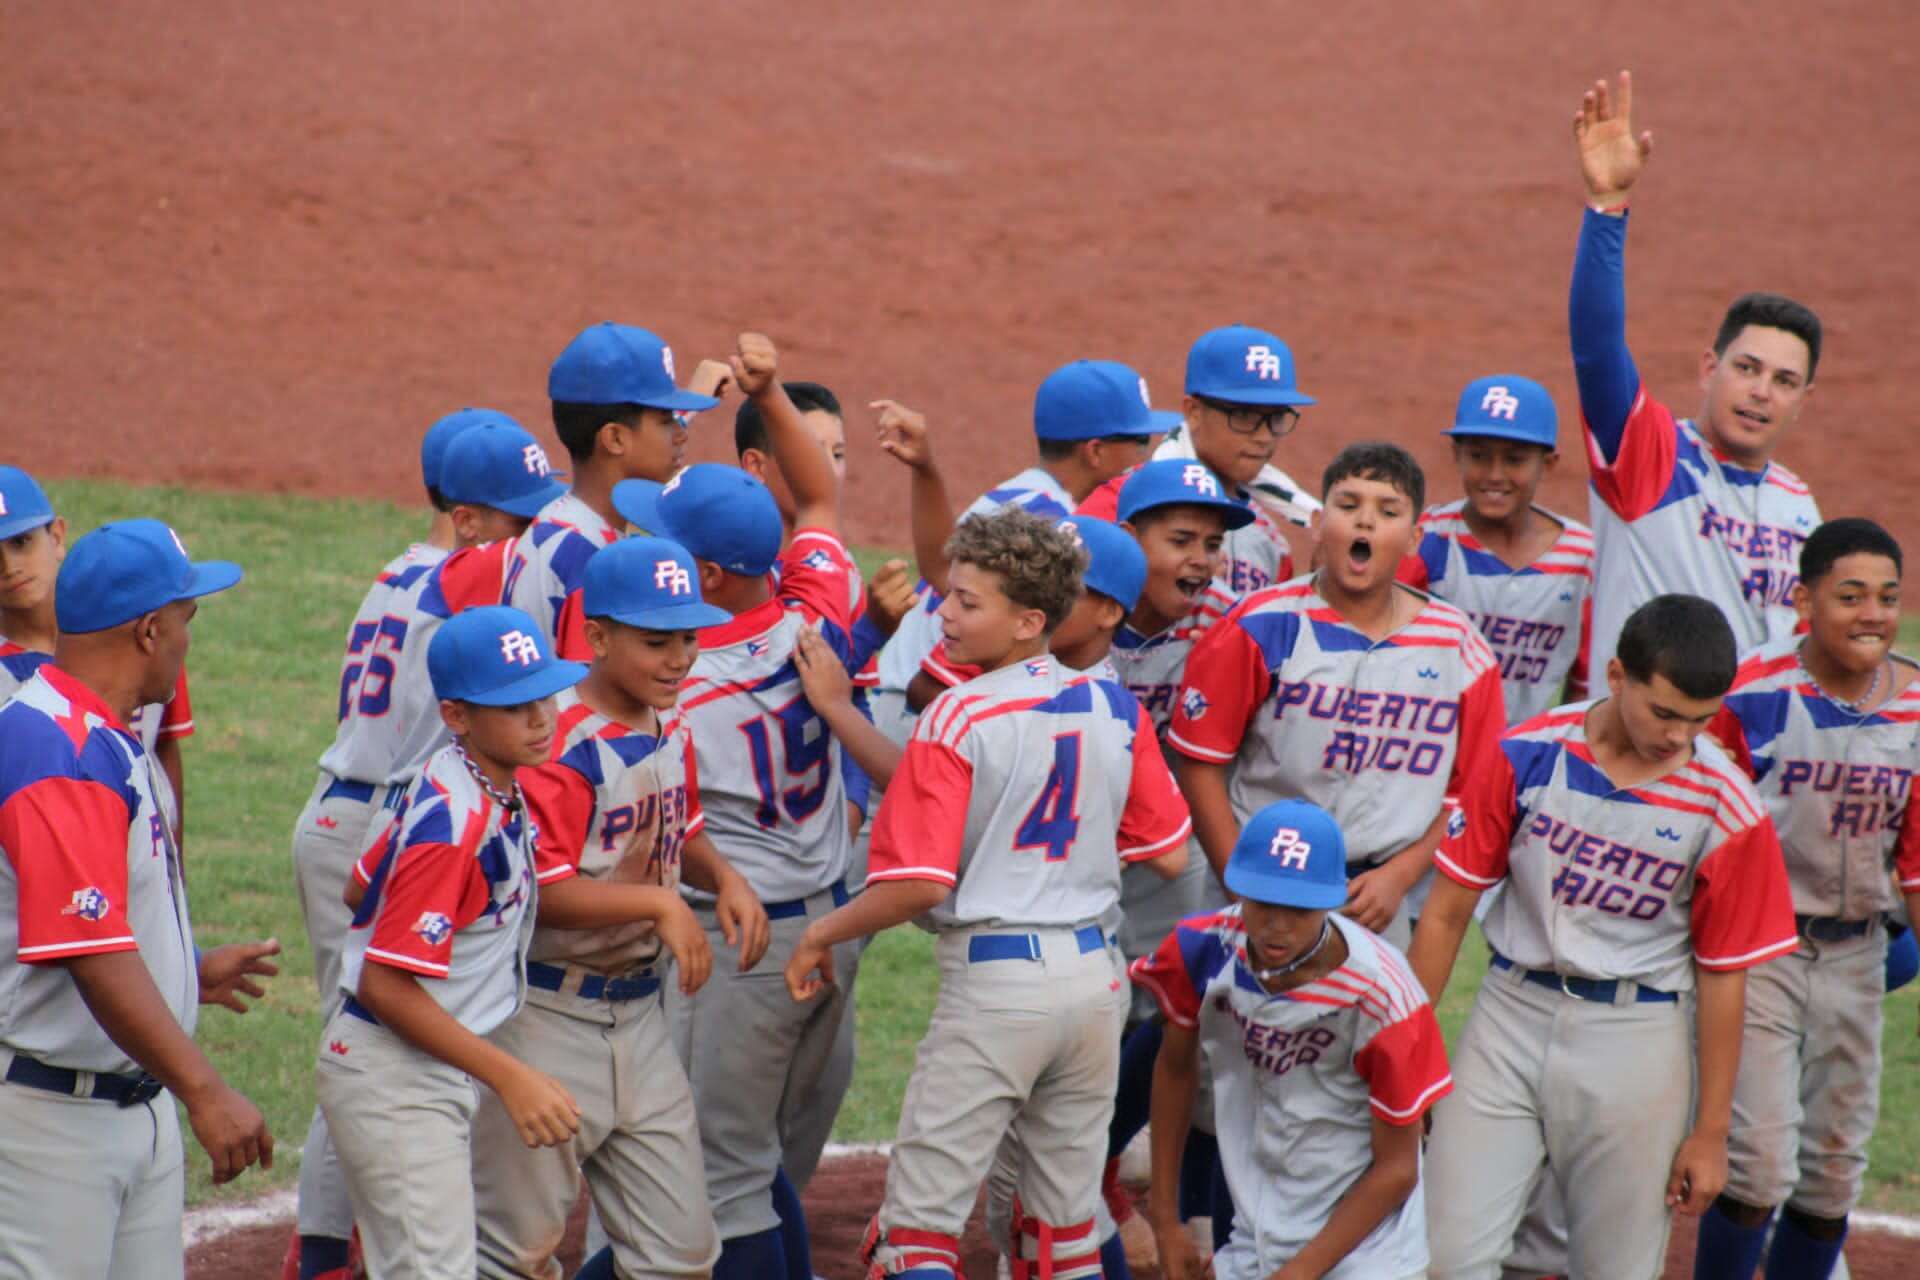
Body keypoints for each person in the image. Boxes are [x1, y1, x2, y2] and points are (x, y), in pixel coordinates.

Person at [783, 506, 1193, 1280]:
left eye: (968, 602)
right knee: (1062, 1232)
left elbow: (916, 886)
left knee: (916, 1236)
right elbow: (1168, 853)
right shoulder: (1115, 706)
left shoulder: (958, 714)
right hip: (1093, 986)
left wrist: (819, 933)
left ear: (1028, 620)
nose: (945, 613)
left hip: (998, 990)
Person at [1409, 594, 1799, 1280]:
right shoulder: (1527, 753)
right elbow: (1444, 915)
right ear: (1617, 676)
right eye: (1666, 712)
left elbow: (1724, 976)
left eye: (1702, 720)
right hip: (1509, 1015)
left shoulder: (1728, 806)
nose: (1680, 736)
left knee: (1614, 1269)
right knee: (1445, 1257)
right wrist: (1407, 1054)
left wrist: (1710, 1132)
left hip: (1638, 1040)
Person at [612, 333, 862, 1280]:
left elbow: (681, 823)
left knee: (719, 1179)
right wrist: (771, 397)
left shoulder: (683, 683)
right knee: (754, 1169)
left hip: (742, 948)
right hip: (823, 924)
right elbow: (824, 499)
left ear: (707, 578)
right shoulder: (815, 613)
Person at [471, 537, 771, 1280]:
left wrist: (723, 876)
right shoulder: (556, 745)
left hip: (639, 1022)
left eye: (689, 638)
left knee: (680, 1257)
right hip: (545, 1017)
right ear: (597, 636)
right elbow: (539, 893)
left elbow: (679, 823)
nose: (678, 659)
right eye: (655, 640)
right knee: (513, 1256)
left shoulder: (669, 719)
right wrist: (661, 906)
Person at [283, 407, 526, 1280]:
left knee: (361, 1033)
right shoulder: (463, 580)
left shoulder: (400, 572)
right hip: (390, 815)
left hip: (358, 807)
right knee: (368, 1036)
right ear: (468, 520)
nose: (526, 541)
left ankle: (326, 1248)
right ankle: (316, 1256)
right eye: (517, 520)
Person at [0, 518, 278, 1279]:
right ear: (151, 631)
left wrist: (183, 965)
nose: (192, 639)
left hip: (127, 1109)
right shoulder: (54, 749)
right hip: (50, 1126)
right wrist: (206, 1087)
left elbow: (95, 914)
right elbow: (86, 948)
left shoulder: (106, 738)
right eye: (188, 620)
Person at [315, 605, 588, 1280]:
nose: (542, 717)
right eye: (515, 705)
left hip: (418, 1063)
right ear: (459, 716)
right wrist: (511, 1075)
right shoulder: (453, 821)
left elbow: (360, 888)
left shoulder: (462, 776)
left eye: (544, 695)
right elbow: (383, 983)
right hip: (396, 1072)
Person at [1693, 519, 1920, 1280]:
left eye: (1888, 597)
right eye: (1850, 595)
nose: (1873, 615)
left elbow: (1916, 861)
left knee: (1831, 1174)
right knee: (1755, 1165)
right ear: (1804, 601)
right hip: (1761, 955)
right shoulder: (1752, 695)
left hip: (1858, 954)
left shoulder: (1917, 705)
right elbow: (1701, 831)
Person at [1168, 443, 1505, 947]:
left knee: (1359, 1027)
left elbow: (1471, 793)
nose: (1365, 524)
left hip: (1375, 898)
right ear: (1320, 524)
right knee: (1228, 1023)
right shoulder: (1260, 625)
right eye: (1349, 507)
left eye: (1387, 512)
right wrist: (1238, 882)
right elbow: (1199, 762)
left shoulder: (1461, 649)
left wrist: (1401, 876)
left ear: (1414, 538)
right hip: (1259, 879)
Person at [1569, 71, 1823, 674]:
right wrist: (1608, 210)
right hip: (1639, 756)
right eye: (1747, 368)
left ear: (1802, 400)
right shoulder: (1651, 456)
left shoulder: (1800, 506)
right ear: (1710, 368)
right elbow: (1596, 348)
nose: (1761, 392)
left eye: (1784, 382)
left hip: (1742, 766)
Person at [1134, 800, 1452, 1280]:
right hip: (1257, 1227)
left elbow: (1398, 1169)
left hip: (1371, 1250)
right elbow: (1176, 1070)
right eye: (1263, 902)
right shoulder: (1200, 951)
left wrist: (1299, 1273)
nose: (1277, 925)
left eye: (1298, 909)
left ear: (1330, 899)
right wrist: (1164, 1219)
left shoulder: (1387, 997)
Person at [871, 358, 1166, 741]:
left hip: (912, 701)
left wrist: (927, 470)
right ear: (1096, 451)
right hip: (926, 707)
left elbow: (939, 566)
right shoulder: (1052, 525)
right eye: (1140, 441)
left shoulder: (1019, 497)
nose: (1146, 455)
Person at [0, 466, 197, 844]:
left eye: (21, 542)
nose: (10, 567)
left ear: (56, 535)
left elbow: (165, 746)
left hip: (145, 844)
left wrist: (177, 864)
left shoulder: (141, 636)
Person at [506, 322, 726, 654]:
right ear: (615, 439)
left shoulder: (563, 525)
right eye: (667, 421)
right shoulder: (587, 562)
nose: (681, 434)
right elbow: (589, 698)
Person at [1397, 375, 1594, 721]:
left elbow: (1588, 681)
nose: (1495, 474)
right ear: (1456, 455)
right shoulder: (1426, 539)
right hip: (1433, 745)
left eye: (1515, 460)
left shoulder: (1583, 558)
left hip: (1530, 755)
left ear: (1547, 464)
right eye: (1478, 456)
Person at [1078, 324, 1319, 595]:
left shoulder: (1270, 541)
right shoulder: (1117, 503)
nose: (1264, 436)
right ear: (1193, 411)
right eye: (1243, 416)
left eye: (1275, 418)